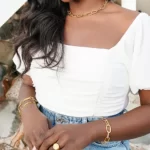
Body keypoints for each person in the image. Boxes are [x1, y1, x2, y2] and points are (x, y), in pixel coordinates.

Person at [13, 0, 150, 150]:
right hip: (44, 142)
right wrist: (29, 111)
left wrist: (91, 131)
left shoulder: (136, 26)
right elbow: (27, 83)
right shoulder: (41, 17)